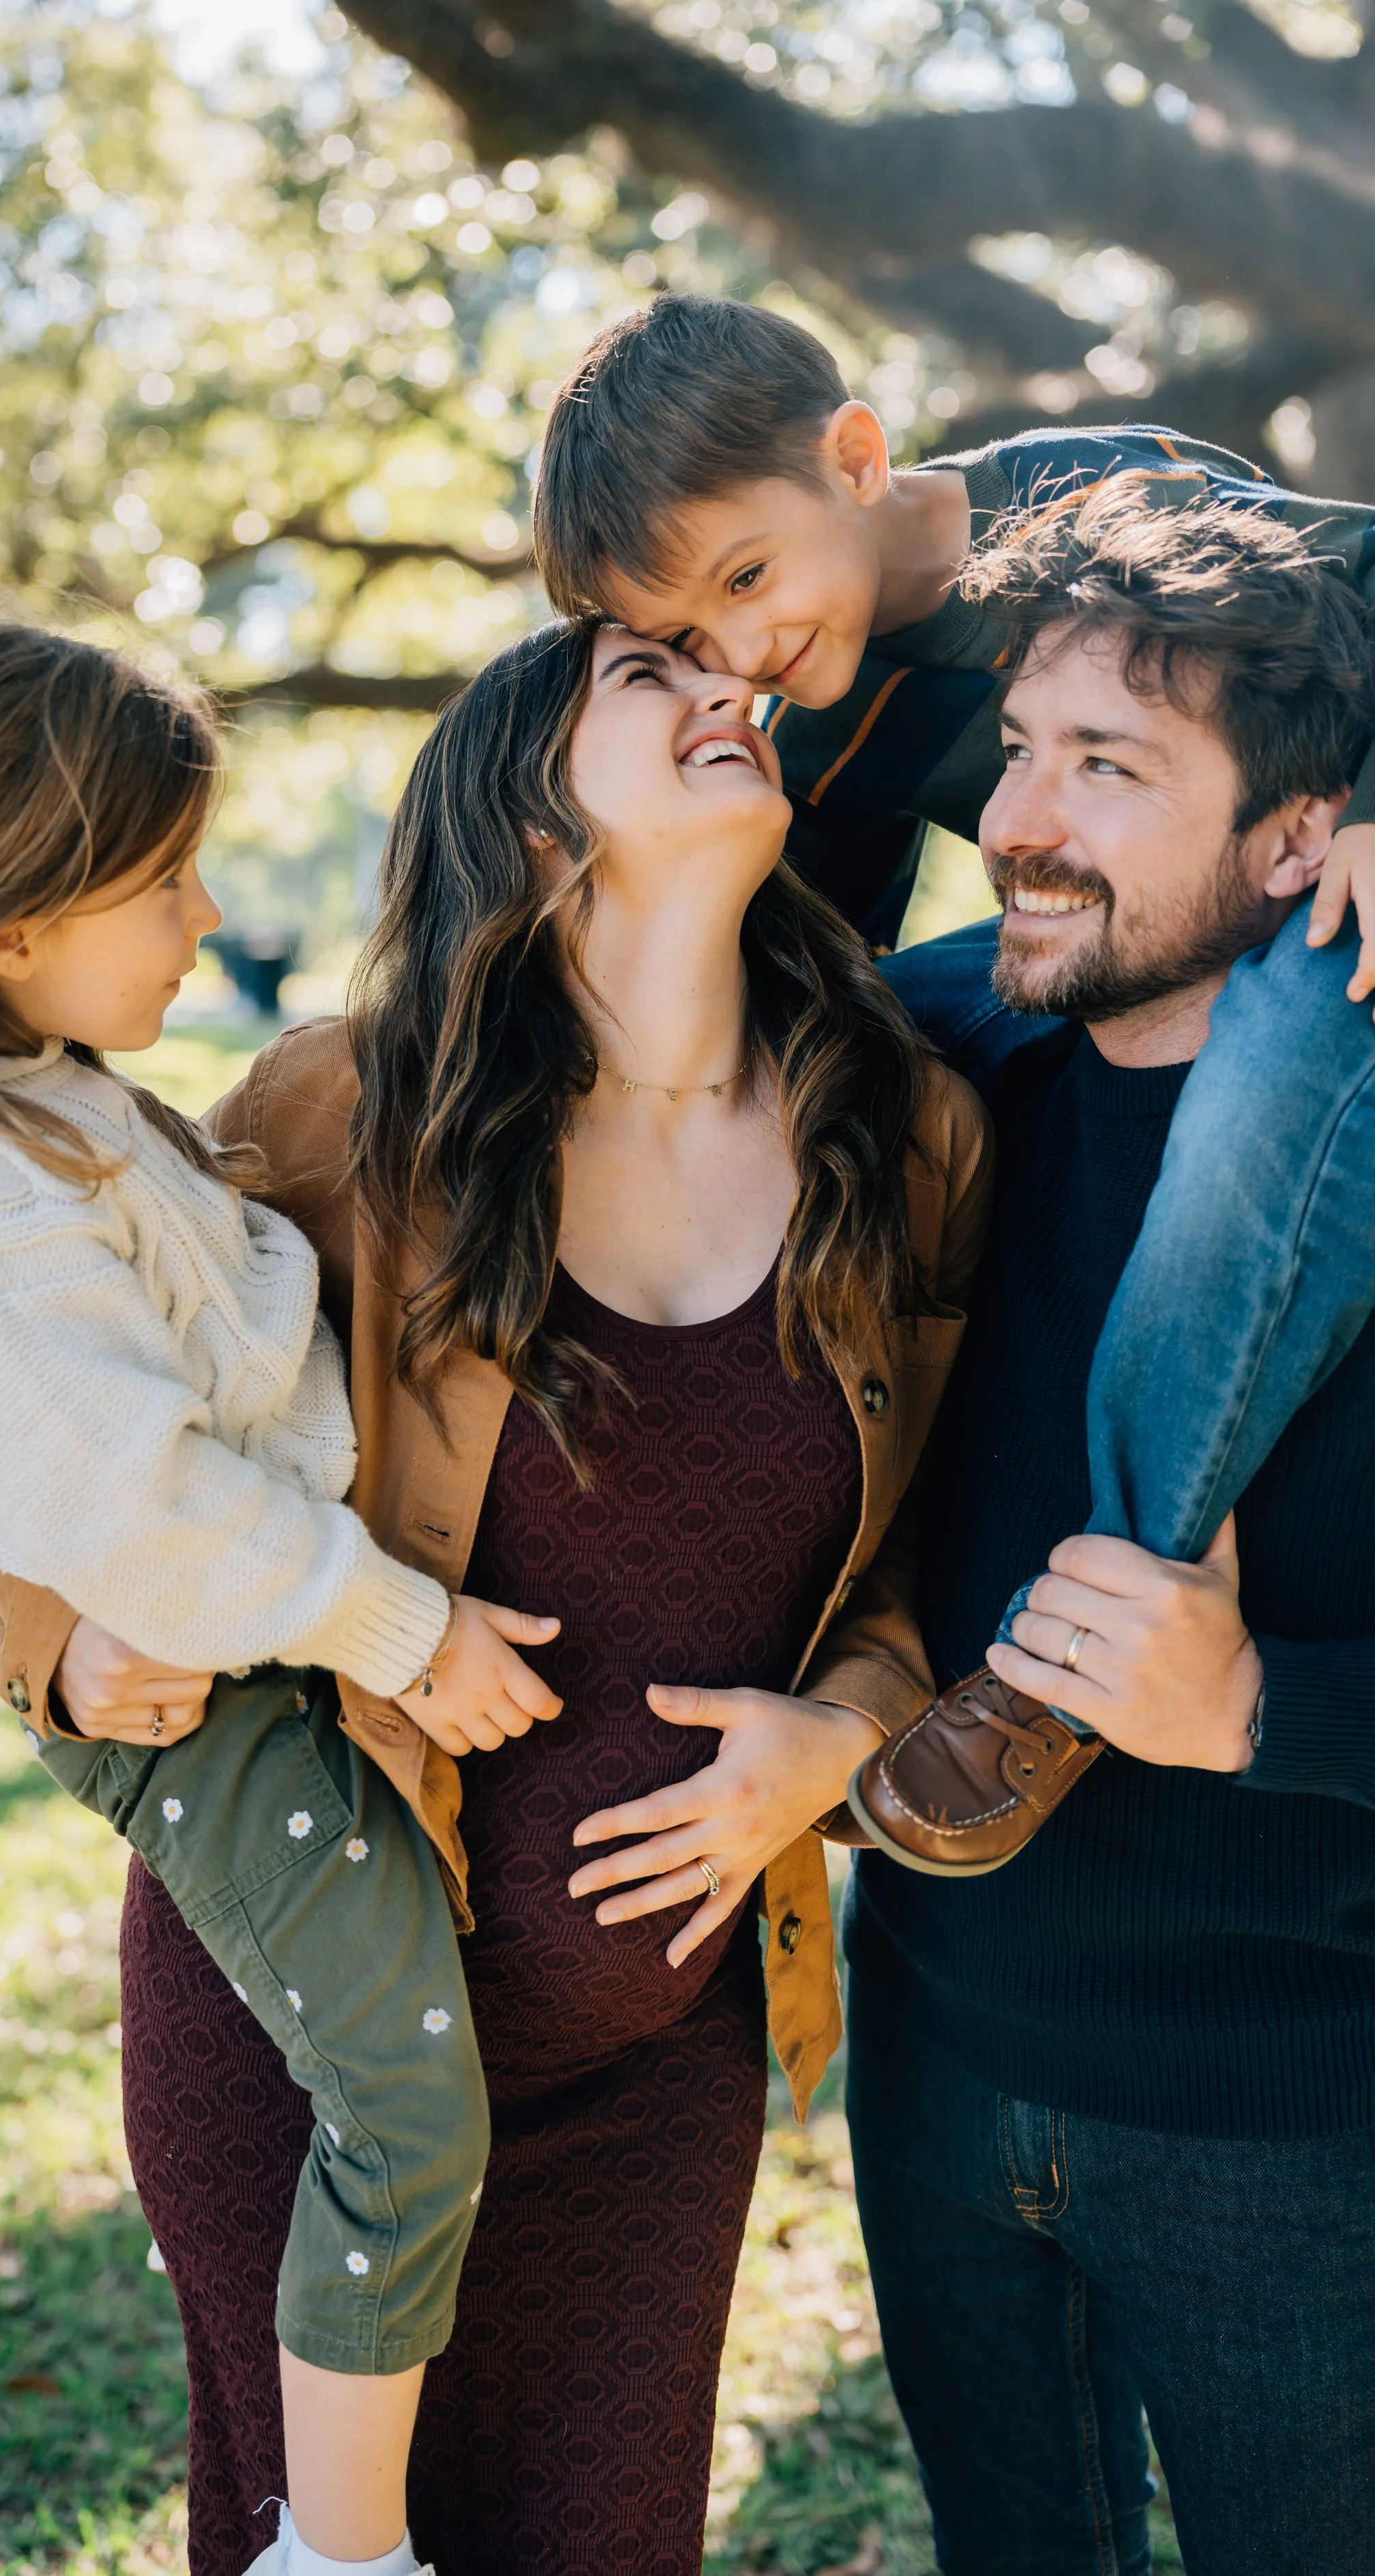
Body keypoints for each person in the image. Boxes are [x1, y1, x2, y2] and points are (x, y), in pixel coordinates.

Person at [0, 613, 993, 2574]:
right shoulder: (345, 1112)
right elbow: (61, 1403)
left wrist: (843, 1734)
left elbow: (927, 1559)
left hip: (649, 2056)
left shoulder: (909, 1128)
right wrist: (58, 1633)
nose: (731, 694)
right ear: (525, 810)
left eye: (736, 677)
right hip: (297, 2037)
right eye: (646, 676)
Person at [0, 620, 580, 2576]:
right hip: (237, 1688)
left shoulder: (33, 1095)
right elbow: (141, 1498)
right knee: (401, 2094)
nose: (205, 915)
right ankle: (340, 2546)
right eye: (161, 879)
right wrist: (406, 1632)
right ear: (14, 920)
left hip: (235, 1626)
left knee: (412, 2072)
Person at [533, 293, 1375, 1873]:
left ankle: (1089, 1624)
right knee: (859, 1034)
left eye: (744, 578)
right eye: (688, 643)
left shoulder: (1097, 494)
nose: (740, 653)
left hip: (1323, 919)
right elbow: (814, 976)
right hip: (1094, 936)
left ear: (855, 456)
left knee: (1281, 1062)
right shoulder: (828, 719)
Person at [812, 497, 1372, 2573]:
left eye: (1109, 765)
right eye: (1020, 748)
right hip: (935, 2039)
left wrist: (1254, 1707)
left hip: (1287, 2117)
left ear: (1295, 835)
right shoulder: (938, 1080)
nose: (1019, 818)